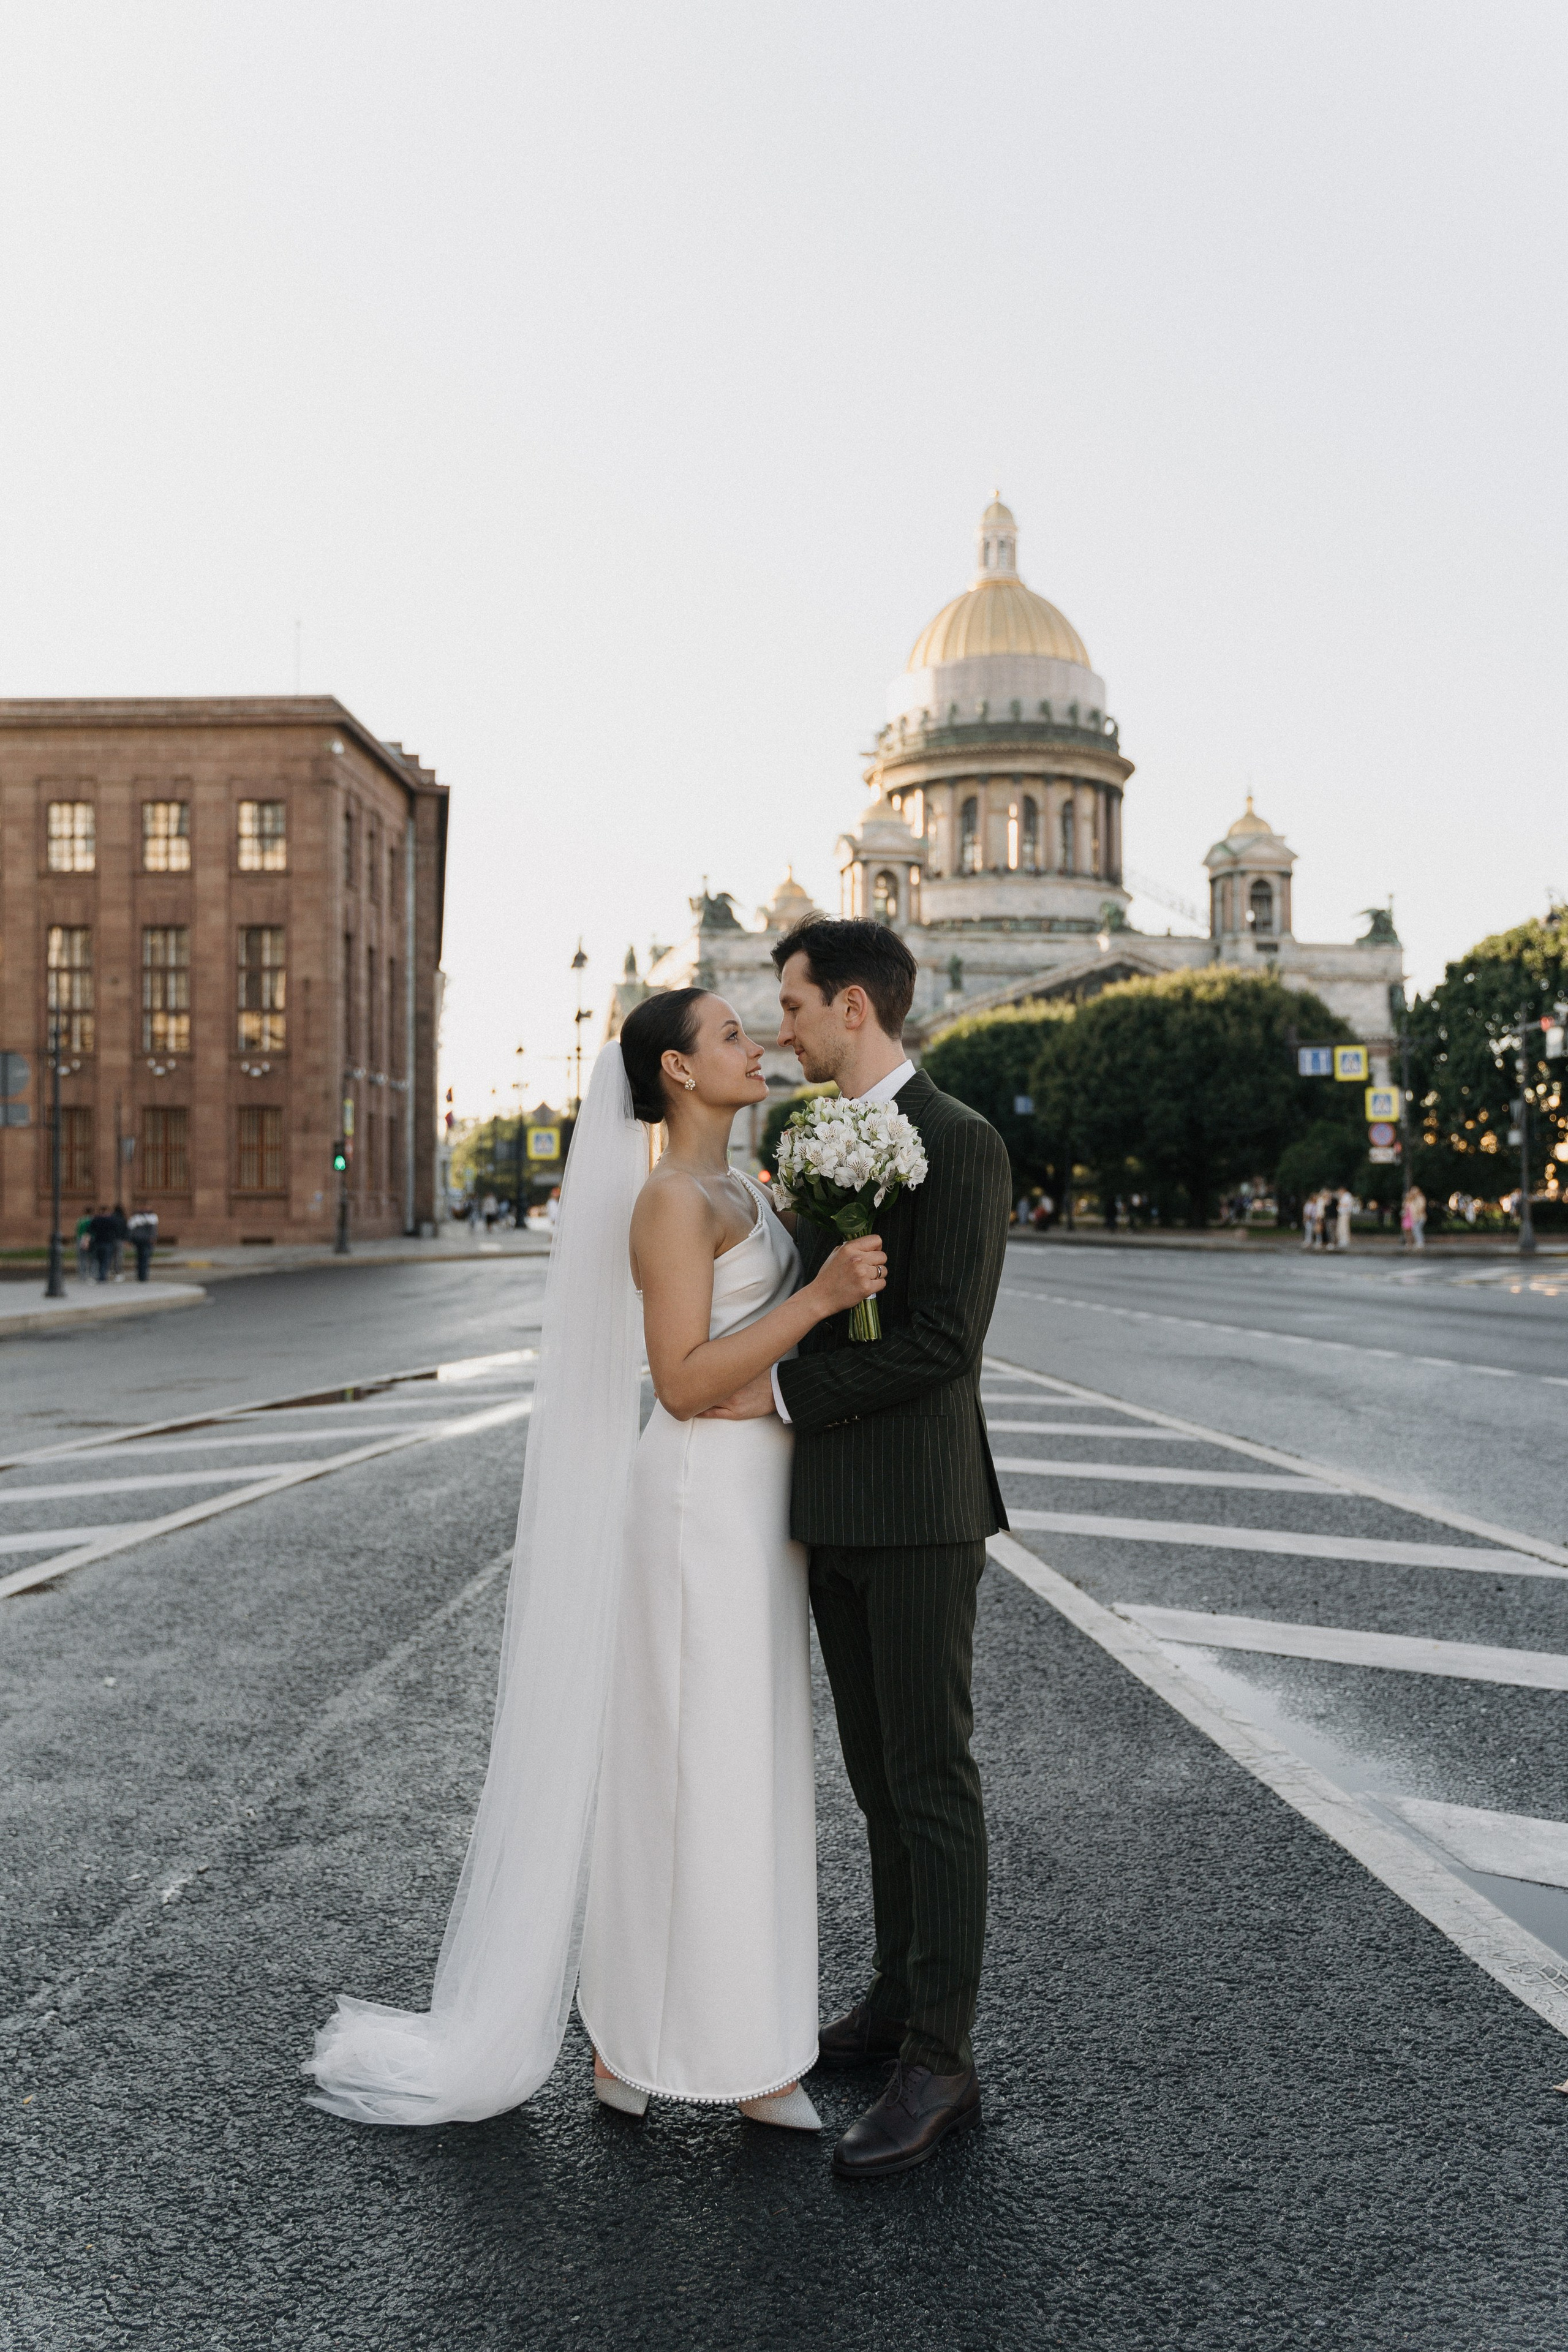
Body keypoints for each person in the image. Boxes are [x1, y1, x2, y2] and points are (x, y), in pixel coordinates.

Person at [304, 990, 886, 2139]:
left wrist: (789, 1338)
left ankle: (656, 2042)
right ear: (675, 1069)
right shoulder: (671, 1200)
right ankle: (710, 2055)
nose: (758, 1044)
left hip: (755, 1501)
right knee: (695, 1775)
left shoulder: (746, 1188)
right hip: (694, 1509)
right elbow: (678, 1379)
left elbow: (731, 1360)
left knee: (739, 1769)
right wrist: (817, 1299)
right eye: (729, 1034)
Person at [706, 916, 1011, 2181]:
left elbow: (941, 1340)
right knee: (876, 1780)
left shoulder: (959, 1142)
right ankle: (894, 2003)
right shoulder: (797, 1138)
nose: (777, 1030)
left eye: (787, 1005)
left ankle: (940, 2059)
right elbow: (805, 1304)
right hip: (827, 1508)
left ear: (847, 1006)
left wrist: (776, 1399)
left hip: (921, 1510)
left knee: (929, 1778)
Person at [127, 1206, 158, 1281]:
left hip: (139, 1240)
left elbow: (130, 1230)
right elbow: (154, 1229)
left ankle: (141, 1276)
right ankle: (143, 1276)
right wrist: (153, 1238)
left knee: (141, 1258)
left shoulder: (135, 1218)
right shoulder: (152, 1218)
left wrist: (130, 1240)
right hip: (145, 1241)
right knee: (145, 1258)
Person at [88, 1204, 118, 1283]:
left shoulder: (96, 1219)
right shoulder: (111, 1220)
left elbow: (91, 1229)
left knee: (98, 1260)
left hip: (98, 1242)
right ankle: (103, 1276)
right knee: (106, 1260)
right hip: (108, 1242)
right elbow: (116, 1229)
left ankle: (99, 1275)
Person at [74, 1209, 92, 1282]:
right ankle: (90, 1274)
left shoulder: (80, 1220)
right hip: (88, 1239)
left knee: (81, 1258)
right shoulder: (91, 1220)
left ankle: (82, 1275)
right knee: (90, 1258)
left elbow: (77, 1230)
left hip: (80, 1239)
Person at [1406, 1183, 1427, 1250]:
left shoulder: (1421, 1198)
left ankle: (1421, 1243)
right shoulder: (1413, 1199)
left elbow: (1422, 1207)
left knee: (1417, 1229)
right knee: (1415, 1230)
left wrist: (1419, 1213)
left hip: (1421, 1217)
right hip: (1415, 1218)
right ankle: (1418, 1242)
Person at [1335, 1186, 1354, 1252]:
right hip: (1341, 1214)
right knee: (1340, 1227)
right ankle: (1342, 1240)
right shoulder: (1343, 1196)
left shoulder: (1347, 1196)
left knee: (1344, 1227)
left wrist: (1340, 1204)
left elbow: (1346, 1204)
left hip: (1345, 1213)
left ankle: (1345, 1240)